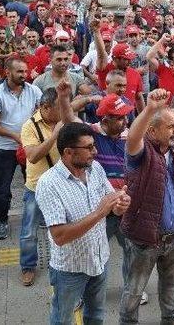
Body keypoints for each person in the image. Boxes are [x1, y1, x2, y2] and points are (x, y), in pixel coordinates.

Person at [119, 89, 174, 324]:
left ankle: (170, 320)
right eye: (170, 127)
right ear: (152, 131)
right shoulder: (140, 154)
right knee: (134, 292)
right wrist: (149, 108)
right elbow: (132, 139)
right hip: (144, 240)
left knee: (170, 286)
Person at [35, 122, 131, 324]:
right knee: (62, 318)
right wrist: (99, 212)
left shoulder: (94, 168)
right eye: (88, 148)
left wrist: (119, 204)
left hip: (99, 260)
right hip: (70, 269)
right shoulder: (48, 184)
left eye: (94, 146)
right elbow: (59, 237)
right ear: (68, 152)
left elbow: (110, 201)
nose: (95, 152)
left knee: (95, 315)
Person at [0, 57, 42, 239]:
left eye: (25, 71)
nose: (24, 75)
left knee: (34, 184)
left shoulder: (33, 90)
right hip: (5, 149)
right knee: (2, 188)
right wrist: (15, 136)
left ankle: (37, 216)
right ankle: (1, 221)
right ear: (7, 73)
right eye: (19, 72)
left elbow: (43, 110)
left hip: (29, 147)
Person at [18, 88, 64, 287]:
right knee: (29, 231)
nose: (64, 110)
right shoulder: (29, 126)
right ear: (46, 107)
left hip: (62, 186)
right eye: (60, 107)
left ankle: (61, 264)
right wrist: (55, 136)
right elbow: (33, 155)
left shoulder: (65, 121)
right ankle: (28, 266)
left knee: (62, 229)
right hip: (35, 187)